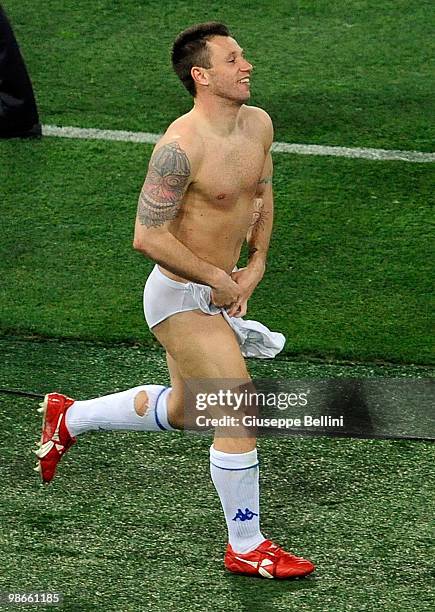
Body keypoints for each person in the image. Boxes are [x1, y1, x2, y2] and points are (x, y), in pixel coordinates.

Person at [35, 22, 315, 580]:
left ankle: (70, 418)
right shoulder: (179, 148)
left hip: (219, 289)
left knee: (188, 413)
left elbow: (260, 192)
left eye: (244, 57)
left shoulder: (257, 124)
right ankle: (246, 544)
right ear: (202, 75)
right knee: (239, 408)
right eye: (234, 59)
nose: (248, 65)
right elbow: (148, 236)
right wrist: (216, 275)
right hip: (179, 296)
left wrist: (254, 265)